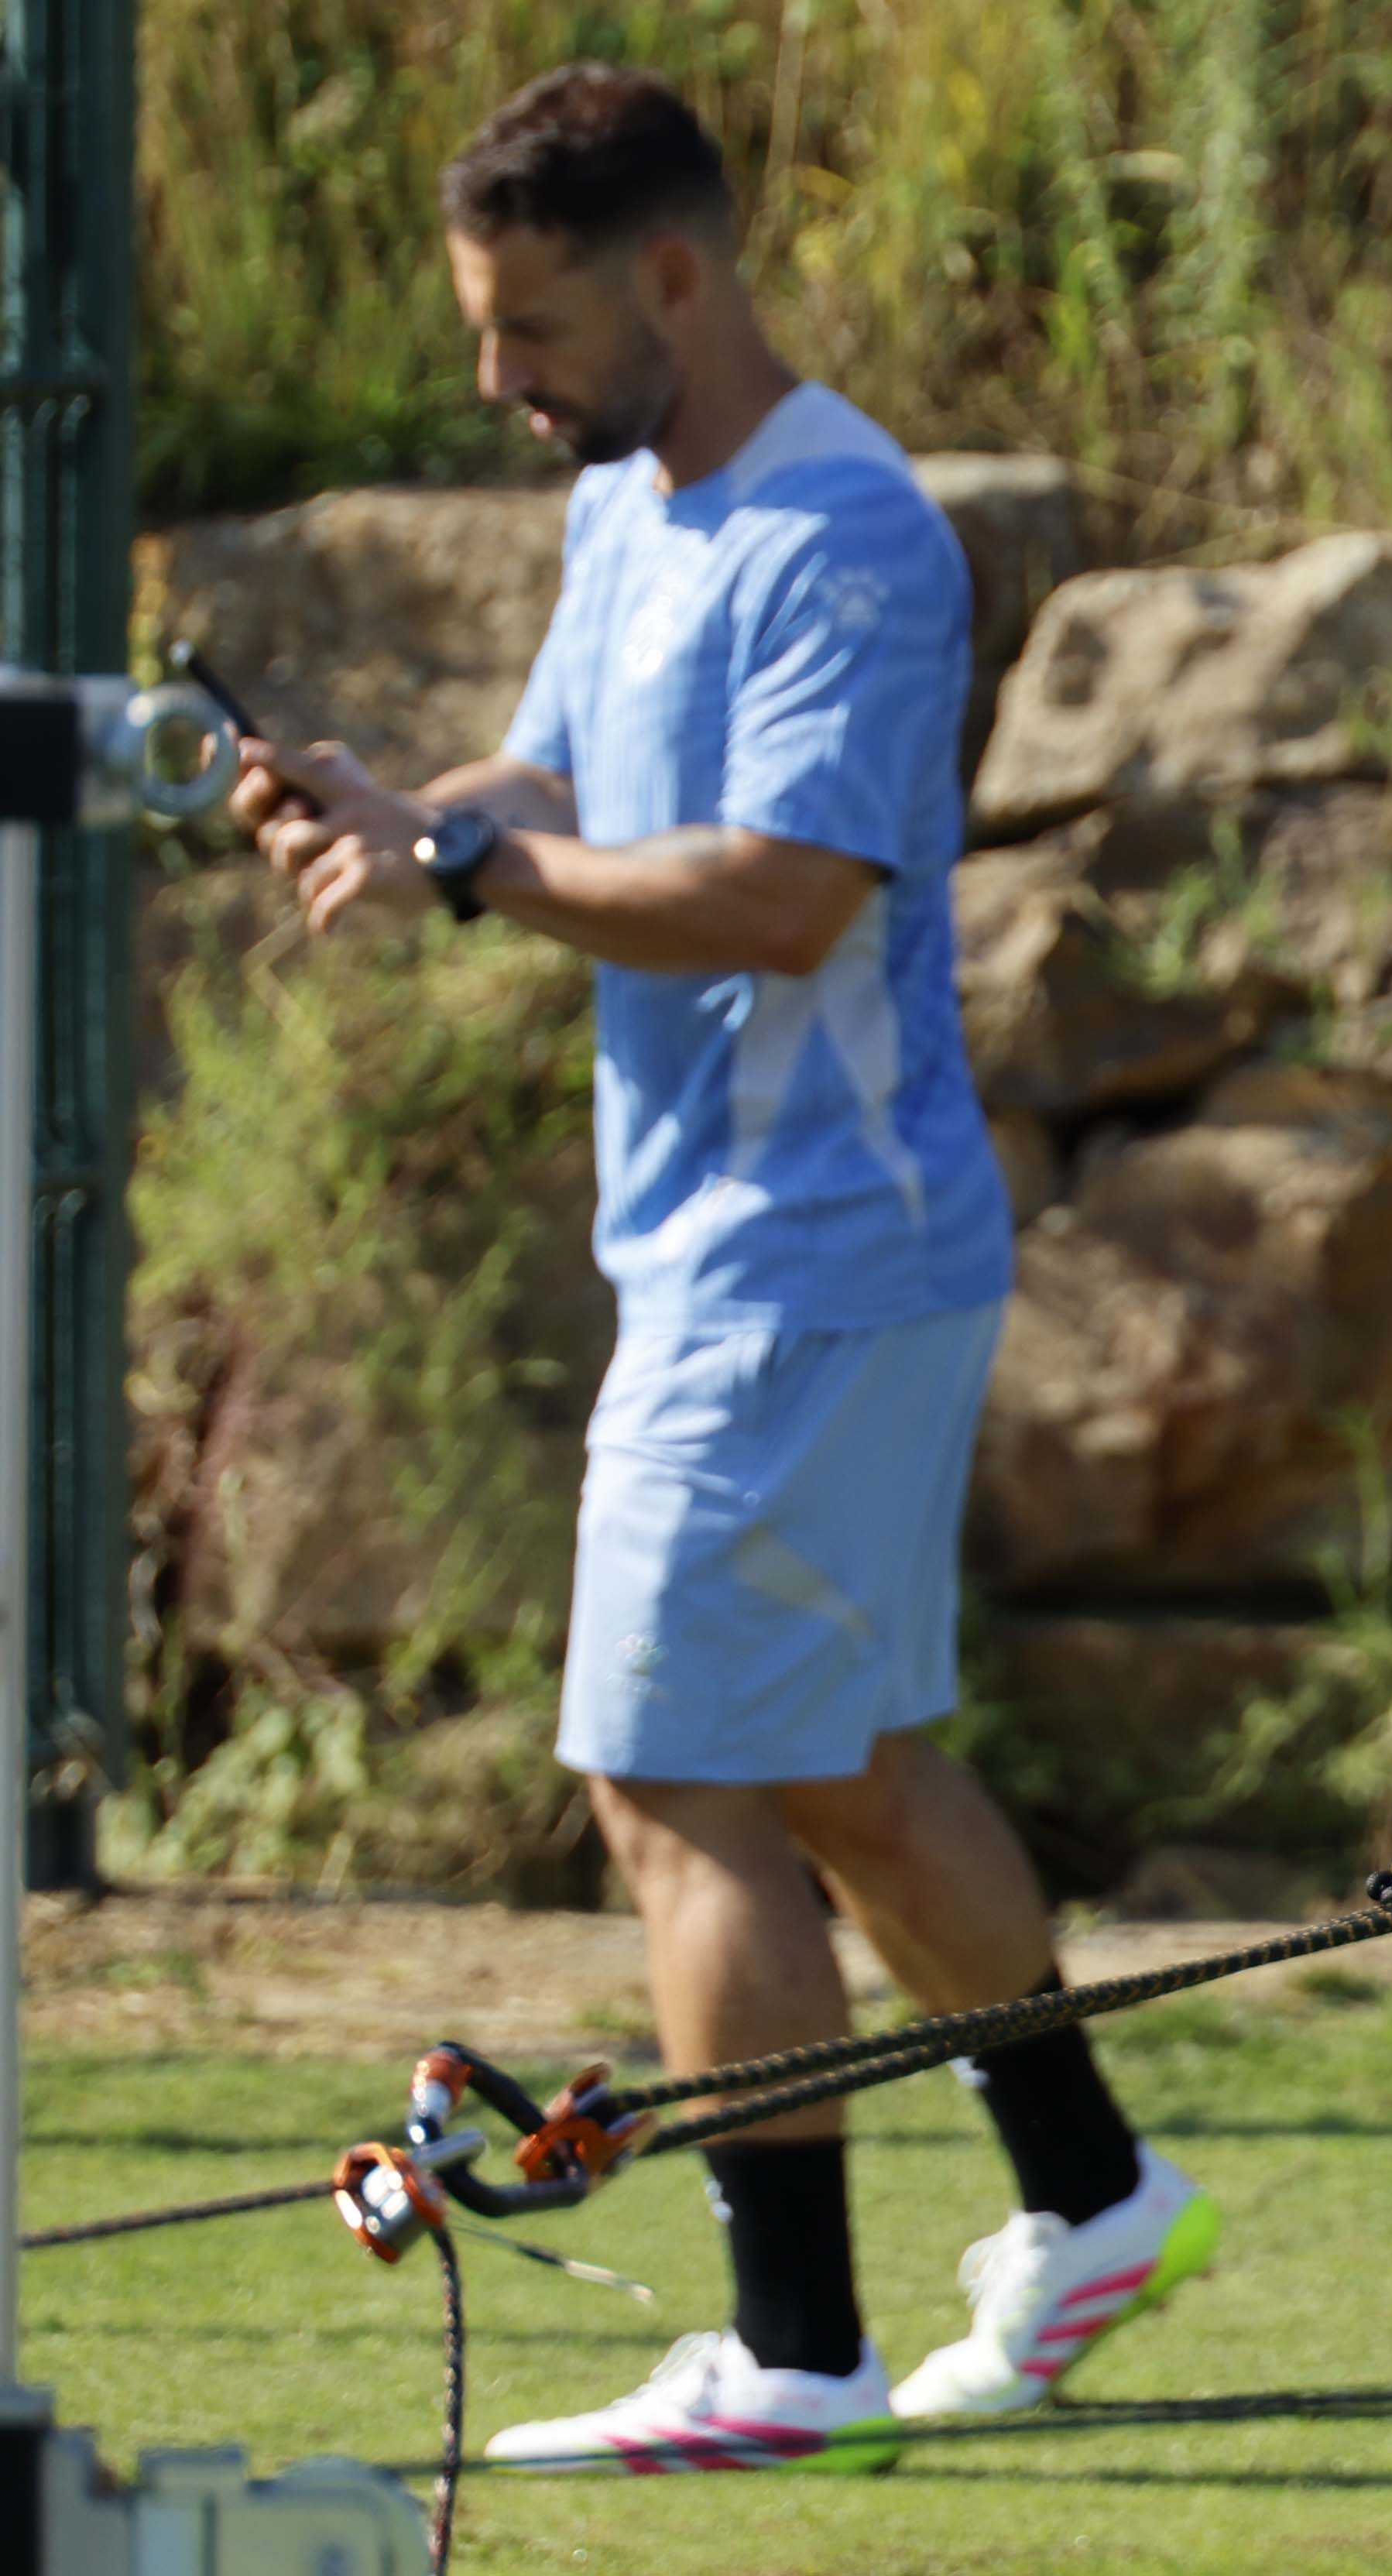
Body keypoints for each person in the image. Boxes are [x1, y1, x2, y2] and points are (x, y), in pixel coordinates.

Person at [228, 63, 1215, 2472]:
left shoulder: (843, 538)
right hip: (762, 1259)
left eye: (534, 327)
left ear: (674, 273)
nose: (501, 378)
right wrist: (403, 815)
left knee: (671, 1780)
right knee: (843, 1766)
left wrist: (471, 877)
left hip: (808, 1263)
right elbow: (565, 788)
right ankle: (1094, 2202)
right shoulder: (632, 501)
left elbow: (778, 892)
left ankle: (792, 2353)